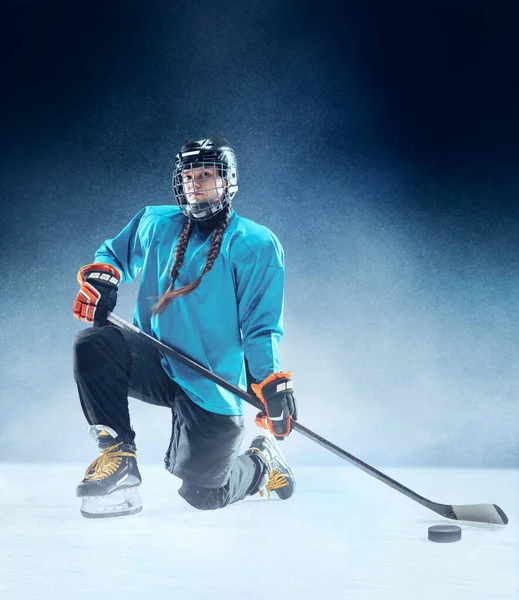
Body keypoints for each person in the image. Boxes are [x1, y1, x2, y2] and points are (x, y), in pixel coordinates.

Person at [72, 136, 297, 518]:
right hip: (155, 360)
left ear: (229, 181)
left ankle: (262, 462)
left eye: (207, 175)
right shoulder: (155, 222)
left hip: (211, 382)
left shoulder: (257, 244)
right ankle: (119, 457)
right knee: (94, 343)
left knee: (204, 494)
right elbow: (112, 254)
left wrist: (268, 381)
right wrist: (103, 279)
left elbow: (260, 327)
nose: (196, 184)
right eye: (190, 176)